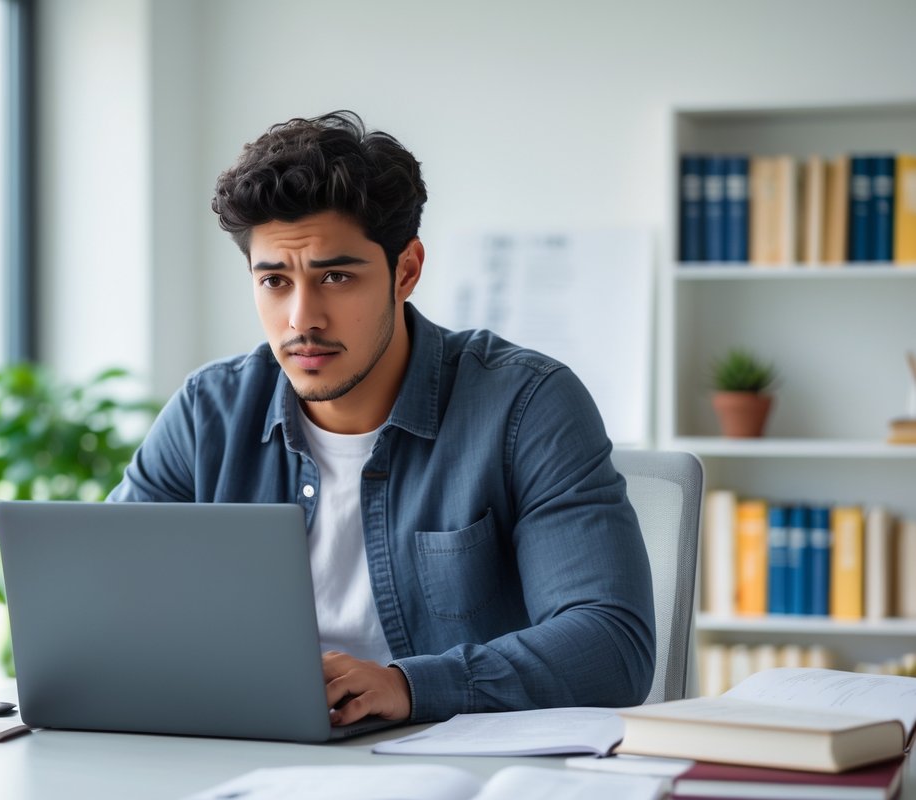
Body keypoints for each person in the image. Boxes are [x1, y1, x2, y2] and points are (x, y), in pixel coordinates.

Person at [109, 110, 655, 727]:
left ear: (407, 271)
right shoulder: (208, 413)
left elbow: (612, 646)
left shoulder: (527, 405)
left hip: (460, 763)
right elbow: (105, 607)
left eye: (336, 276)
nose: (302, 319)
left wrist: (409, 686)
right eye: (275, 281)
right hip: (248, 752)